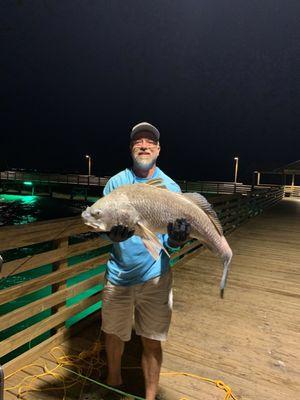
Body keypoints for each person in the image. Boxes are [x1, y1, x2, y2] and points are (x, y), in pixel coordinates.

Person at [102, 122, 190, 400]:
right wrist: (110, 236)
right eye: (138, 141)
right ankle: (112, 382)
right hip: (118, 275)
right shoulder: (116, 183)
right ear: (131, 149)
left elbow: (169, 242)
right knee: (113, 334)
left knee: (152, 339)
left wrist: (176, 241)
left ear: (158, 149)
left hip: (156, 276)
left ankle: (150, 396)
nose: (144, 145)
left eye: (150, 141)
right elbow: (102, 220)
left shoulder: (170, 187)